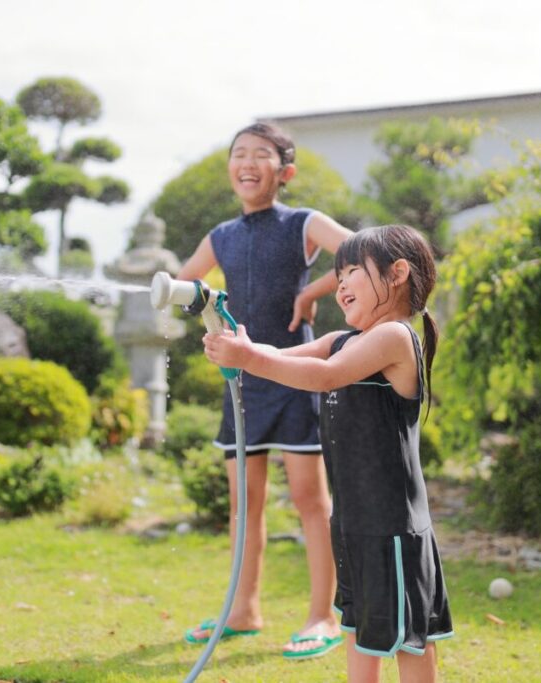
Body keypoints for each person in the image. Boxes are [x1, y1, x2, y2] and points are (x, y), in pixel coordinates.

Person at [203, 225, 453, 683]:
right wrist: (237, 344)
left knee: (406, 638)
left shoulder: (395, 337)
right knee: (361, 629)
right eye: (338, 274)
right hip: (354, 522)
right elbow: (286, 358)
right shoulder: (343, 340)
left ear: (397, 273)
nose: (339, 284)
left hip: (393, 526)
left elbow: (324, 377)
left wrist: (248, 359)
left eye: (353, 270)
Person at [178, 122, 355, 659]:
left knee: (309, 500)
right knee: (244, 505)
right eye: (239, 154)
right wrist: (189, 297)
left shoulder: (303, 223)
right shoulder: (221, 237)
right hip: (241, 386)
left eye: (261, 154)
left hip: (296, 379)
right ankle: (243, 610)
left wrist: (313, 293)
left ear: (285, 171)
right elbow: (187, 286)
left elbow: (361, 253)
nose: (247, 162)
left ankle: (323, 615)